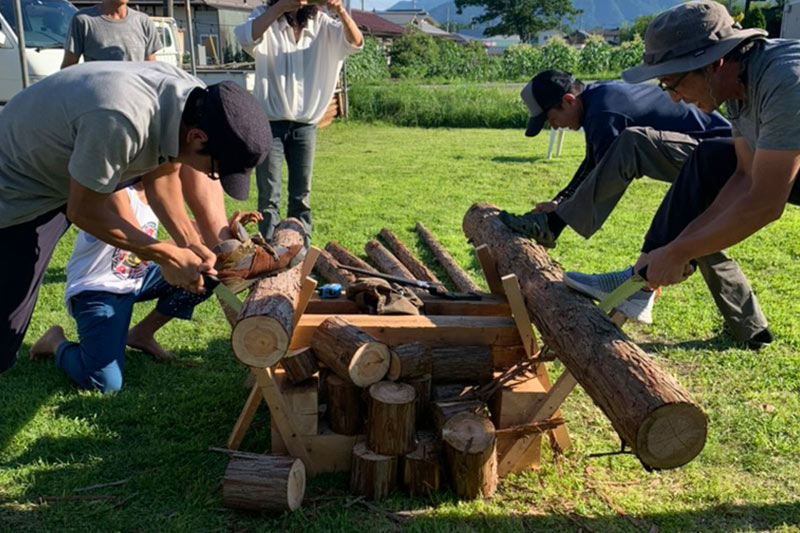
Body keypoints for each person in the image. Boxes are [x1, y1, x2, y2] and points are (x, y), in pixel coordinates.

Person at [0, 61, 301, 375]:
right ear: (197, 137)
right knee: (3, 335)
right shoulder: (121, 121)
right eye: (215, 169)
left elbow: (163, 177)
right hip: (19, 185)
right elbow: (84, 210)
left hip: (68, 171)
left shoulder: (189, 101)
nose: (210, 177)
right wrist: (165, 253)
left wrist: (192, 244)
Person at [565, 0, 798, 350]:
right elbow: (743, 176)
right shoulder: (735, 84)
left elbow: (764, 202)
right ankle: (639, 283)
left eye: (673, 84)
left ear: (714, 63)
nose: (673, 100)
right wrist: (677, 248)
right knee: (709, 159)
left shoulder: (784, 81)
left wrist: (678, 253)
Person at [498, 71, 768, 344]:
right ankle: (752, 329)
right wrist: (561, 201)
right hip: (718, 153)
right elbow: (595, 164)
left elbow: (603, 170)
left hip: (724, 156)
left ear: (568, 101)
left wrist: (557, 217)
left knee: (633, 143)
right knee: (695, 235)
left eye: (550, 119)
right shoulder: (598, 99)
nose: (554, 127)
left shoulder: (605, 111)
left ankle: (564, 234)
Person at [28, 184, 230, 392]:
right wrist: (179, 252)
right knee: (104, 384)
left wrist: (221, 229)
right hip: (98, 290)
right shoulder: (116, 190)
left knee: (205, 276)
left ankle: (141, 334)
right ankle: (55, 342)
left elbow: (184, 230)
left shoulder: (155, 193)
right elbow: (141, 242)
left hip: (135, 278)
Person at [234, 0, 363, 241]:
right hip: (269, 125)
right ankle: (271, 252)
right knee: (268, 196)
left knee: (301, 195)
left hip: (305, 126)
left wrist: (340, 9)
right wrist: (281, 7)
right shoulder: (266, 16)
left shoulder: (322, 23)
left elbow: (355, 43)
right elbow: (245, 37)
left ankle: (297, 249)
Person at [61, 0, 162, 67]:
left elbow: (151, 69)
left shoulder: (143, 22)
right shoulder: (84, 20)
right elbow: (68, 69)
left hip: (135, 97)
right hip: (97, 97)